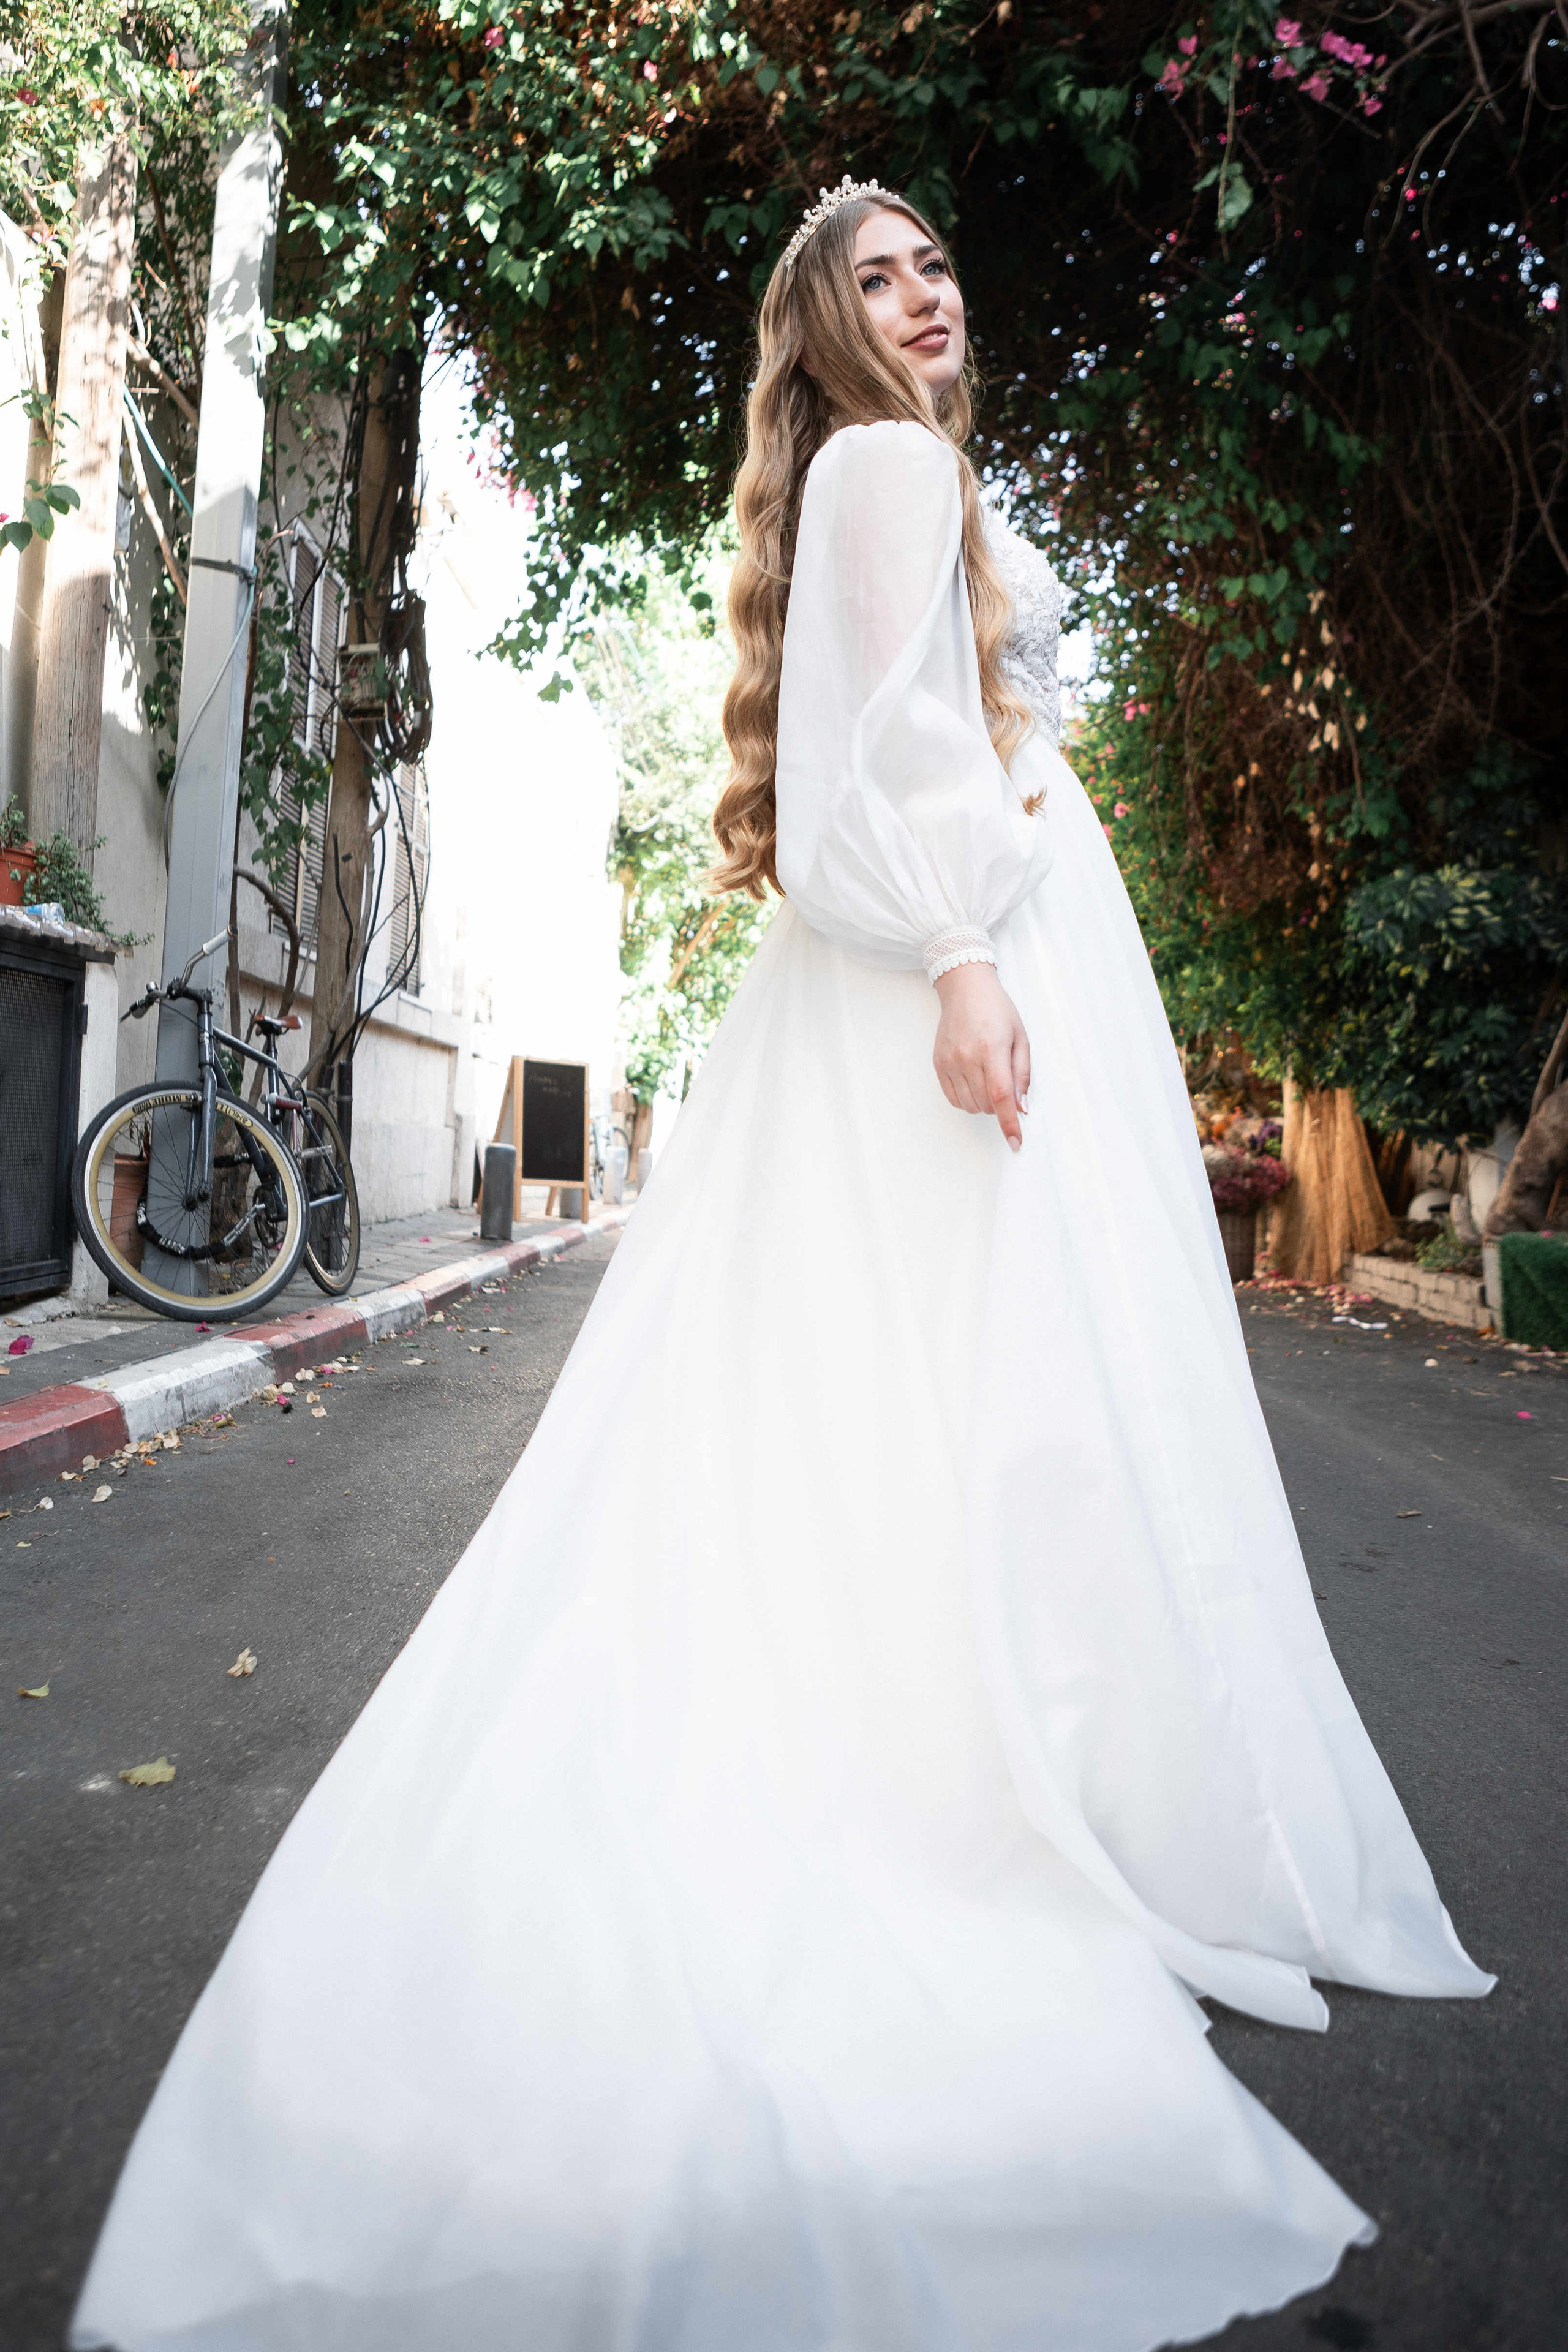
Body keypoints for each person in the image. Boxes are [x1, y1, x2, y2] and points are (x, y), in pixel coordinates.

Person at [70, 178, 1491, 2352]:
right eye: (877, 274)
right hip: (961, 963)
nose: (925, 293)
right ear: (819, 322)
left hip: (966, 947)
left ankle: (995, 1746)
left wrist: (975, 899)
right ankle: (996, 1779)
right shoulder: (896, 466)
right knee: (991, 1390)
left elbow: (896, 749)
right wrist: (958, 953)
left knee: (902, 1398)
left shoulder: (879, 475)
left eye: (939, 262)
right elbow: (858, 784)